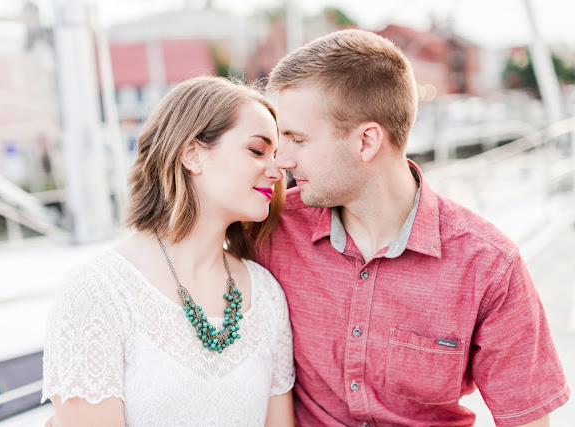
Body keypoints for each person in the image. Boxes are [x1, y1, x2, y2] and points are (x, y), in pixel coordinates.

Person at [254, 29, 569, 426]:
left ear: (367, 142)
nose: (281, 160)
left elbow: (527, 420)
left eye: (297, 139)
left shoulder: (489, 266)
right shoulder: (271, 228)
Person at [41, 76, 295, 426]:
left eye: (276, 155)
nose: (277, 171)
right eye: (257, 150)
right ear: (192, 153)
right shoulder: (97, 290)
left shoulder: (266, 294)